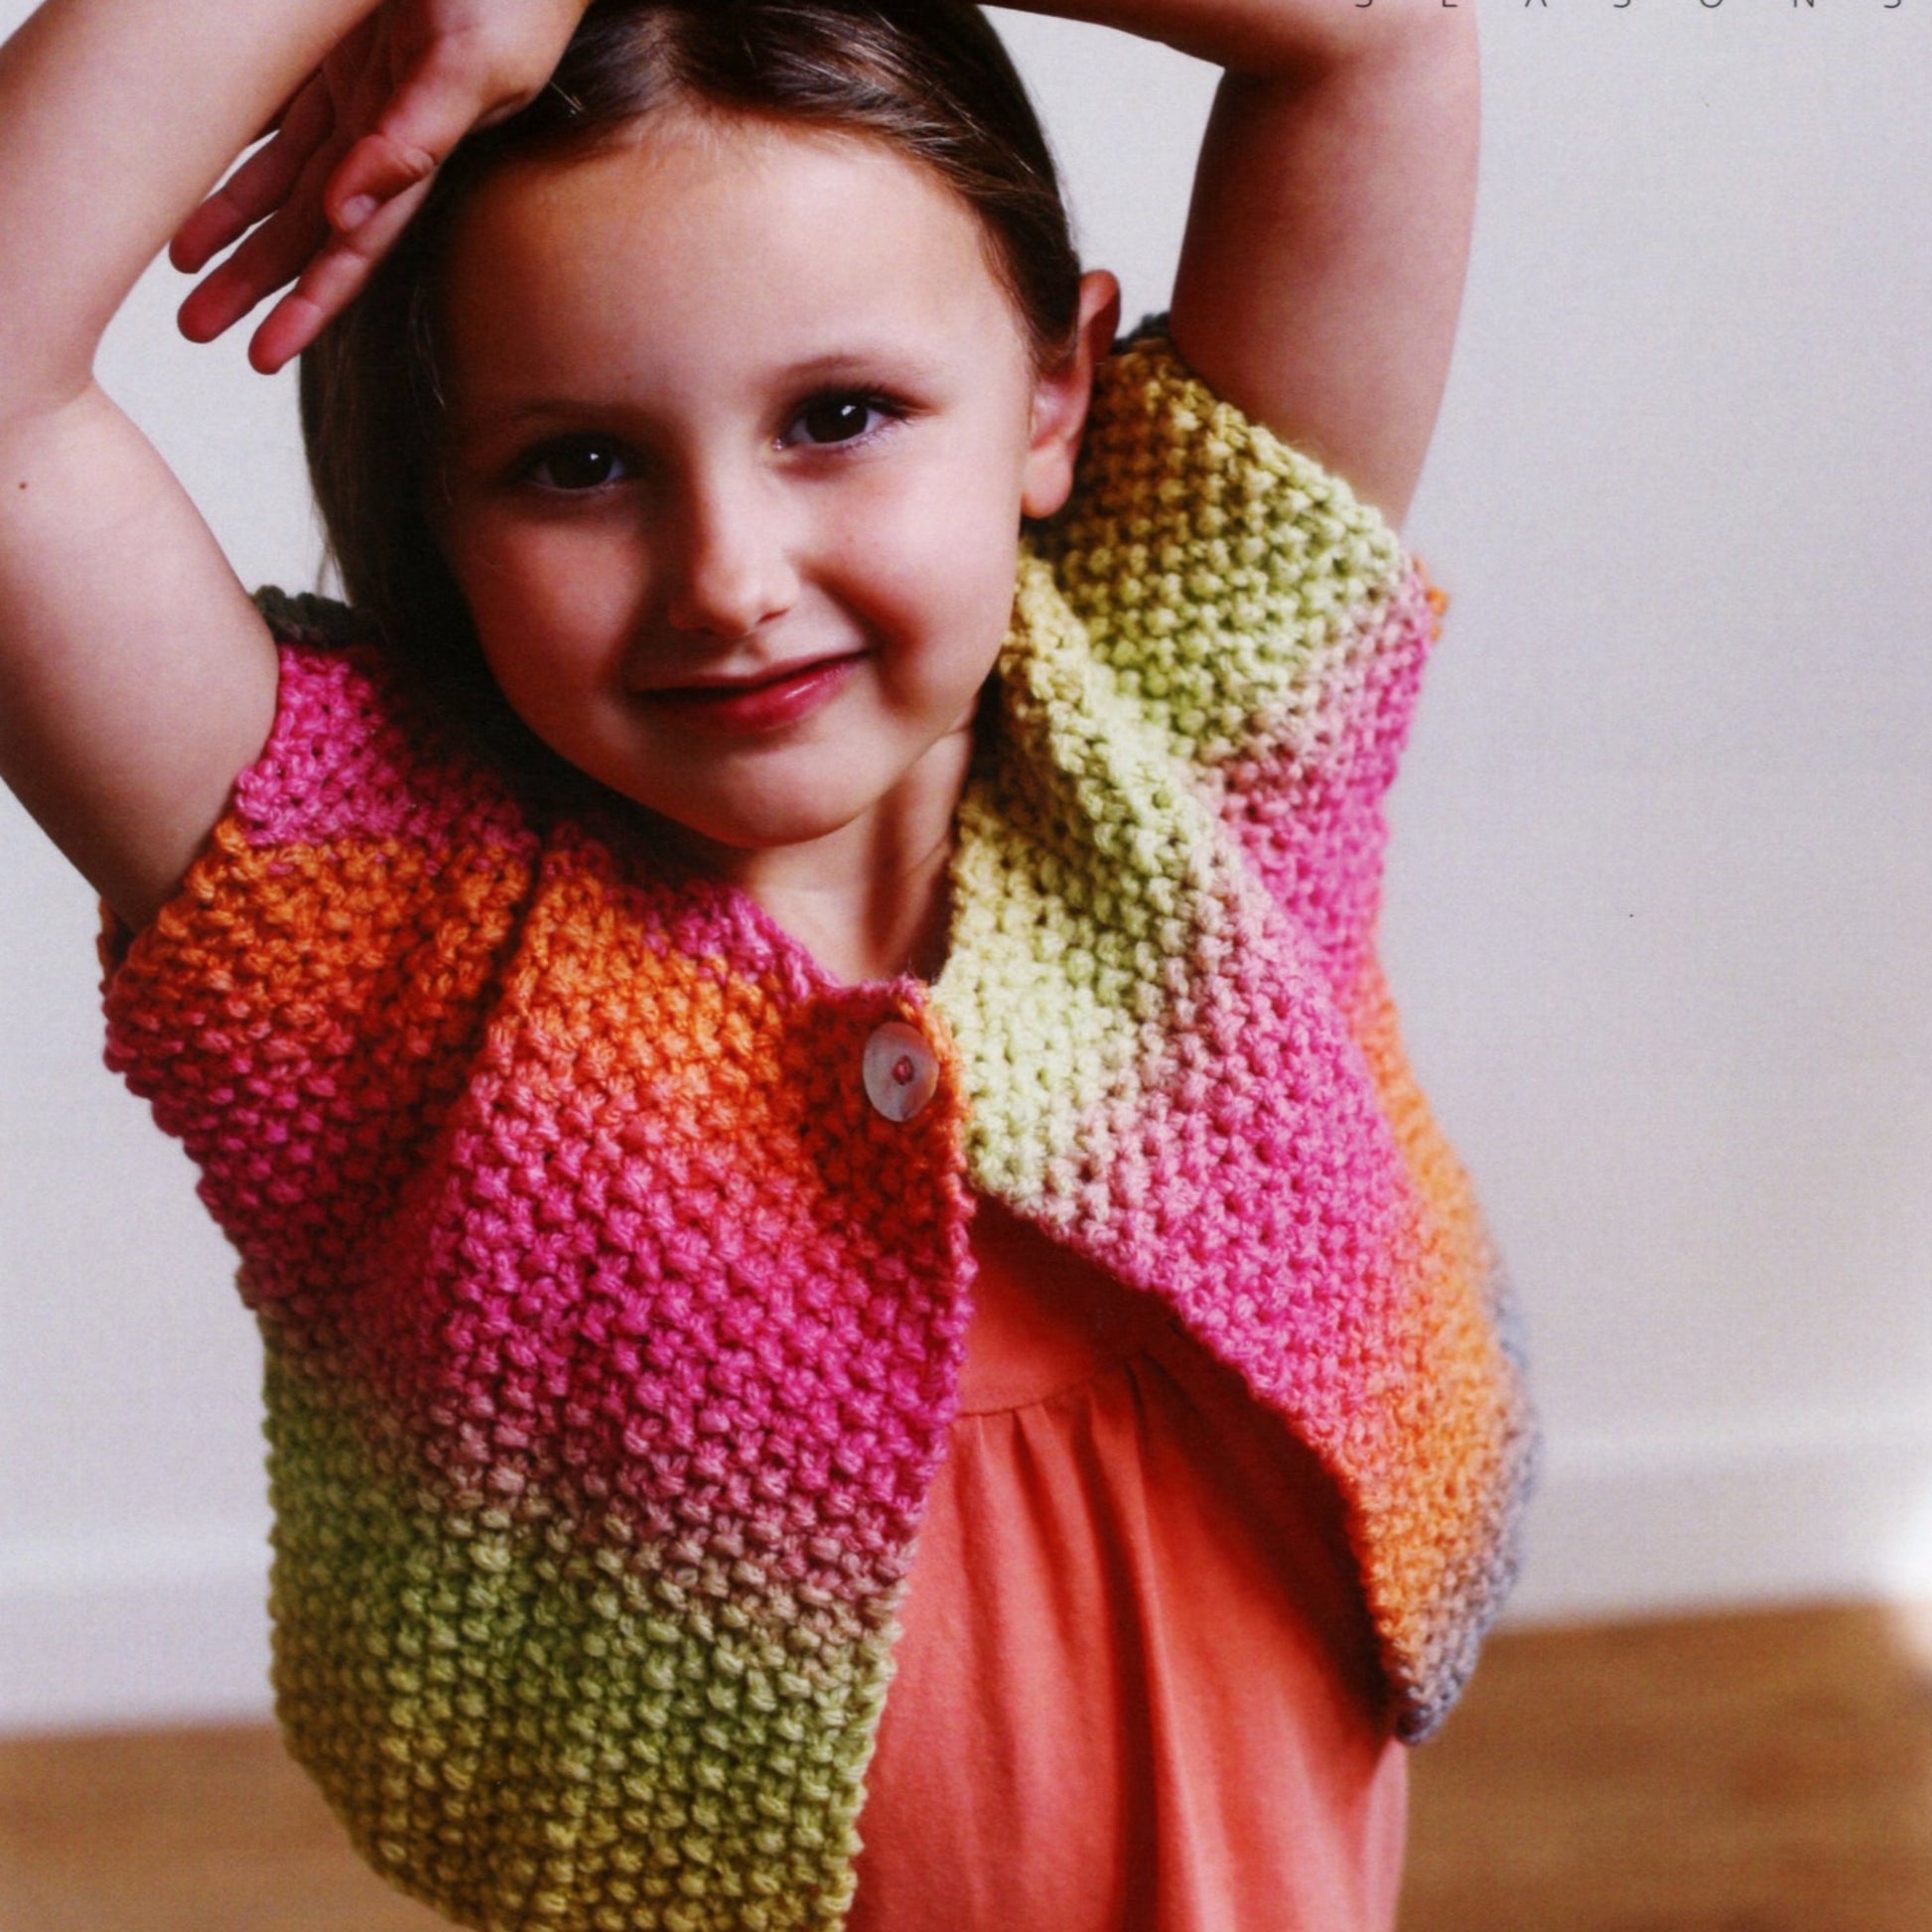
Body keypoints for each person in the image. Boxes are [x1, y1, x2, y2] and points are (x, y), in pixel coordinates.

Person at [0, 0, 1533, 1924]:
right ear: (439, 507)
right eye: (575, 464)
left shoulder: (1197, 711)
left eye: (836, 417)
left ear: (1051, 393)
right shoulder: (368, 931)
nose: (727, 569)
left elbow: (1372, 40)